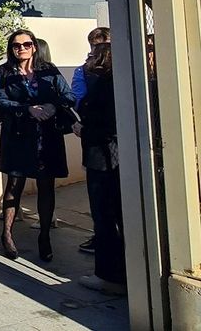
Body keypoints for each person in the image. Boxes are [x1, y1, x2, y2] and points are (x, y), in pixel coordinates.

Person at [0, 29, 75, 262]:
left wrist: (51, 106)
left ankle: (45, 236)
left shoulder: (48, 70)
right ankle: (7, 234)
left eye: (26, 44)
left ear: (34, 46)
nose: (21, 49)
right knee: (14, 184)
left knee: (46, 186)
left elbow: (68, 96)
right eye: (16, 45)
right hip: (19, 134)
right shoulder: (5, 71)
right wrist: (26, 109)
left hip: (46, 136)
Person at [75, 42, 126, 295]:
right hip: (110, 159)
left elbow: (109, 126)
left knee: (105, 217)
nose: (88, 58)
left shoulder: (106, 85)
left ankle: (109, 276)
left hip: (104, 160)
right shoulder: (116, 82)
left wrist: (83, 130)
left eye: (94, 54)